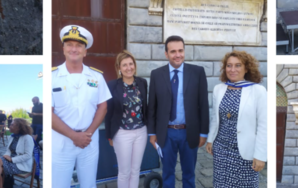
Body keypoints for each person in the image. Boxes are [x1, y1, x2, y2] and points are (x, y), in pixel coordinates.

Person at [52, 25, 112, 188]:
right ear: (63, 49)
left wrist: (88, 133)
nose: (74, 49)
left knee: (89, 185)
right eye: (69, 44)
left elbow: (103, 106)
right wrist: (73, 135)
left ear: (85, 51)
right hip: (61, 143)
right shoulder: (51, 77)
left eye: (79, 45)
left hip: (88, 141)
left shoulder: (96, 76)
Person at [148, 35, 209, 188]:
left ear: (184, 51)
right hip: (166, 133)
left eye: (180, 50)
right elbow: (152, 107)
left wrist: (203, 133)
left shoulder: (197, 72)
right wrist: (152, 133)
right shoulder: (157, 74)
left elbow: (203, 104)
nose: (177, 55)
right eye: (173, 51)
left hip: (189, 132)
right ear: (166, 54)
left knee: (189, 173)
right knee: (168, 173)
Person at [206, 51, 267, 188]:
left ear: (246, 68)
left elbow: (264, 125)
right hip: (221, 150)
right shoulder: (218, 89)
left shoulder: (258, 91)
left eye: (238, 65)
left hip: (244, 152)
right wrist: (210, 139)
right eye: (229, 65)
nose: (232, 70)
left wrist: (261, 155)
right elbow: (215, 118)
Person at [105, 51, 148, 188]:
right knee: (124, 172)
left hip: (141, 132)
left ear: (134, 65)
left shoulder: (142, 83)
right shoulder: (112, 85)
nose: (128, 68)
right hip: (122, 133)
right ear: (119, 68)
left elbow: (145, 107)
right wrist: (109, 136)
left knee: (136, 171)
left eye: (131, 64)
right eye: (125, 65)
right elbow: (108, 111)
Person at [0, 118, 34, 188]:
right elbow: (8, 150)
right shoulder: (12, 136)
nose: (9, 126)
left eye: (12, 125)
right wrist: (5, 156)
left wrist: (12, 160)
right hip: (10, 160)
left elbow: (28, 155)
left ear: (19, 127)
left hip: (21, 164)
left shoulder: (27, 137)